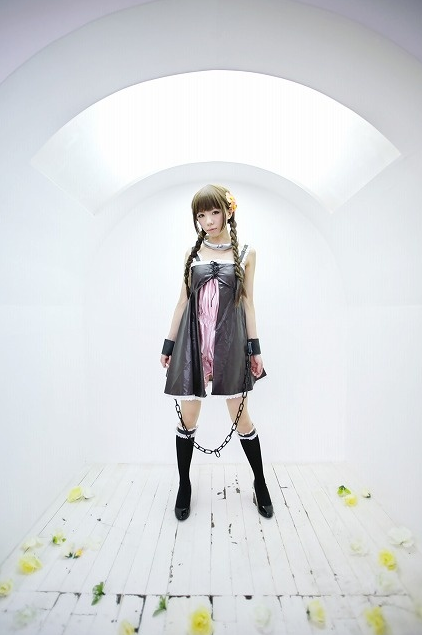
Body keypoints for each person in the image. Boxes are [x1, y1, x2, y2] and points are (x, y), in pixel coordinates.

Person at [160, 184, 273, 521]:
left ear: (227, 211)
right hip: (193, 342)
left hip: (230, 343)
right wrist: (169, 345)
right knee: (188, 419)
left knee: (242, 418)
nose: (208, 220)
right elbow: (182, 301)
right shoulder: (191, 254)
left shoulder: (246, 253)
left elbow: (248, 304)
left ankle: (260, 482)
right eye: (201, 215)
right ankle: (184, 484)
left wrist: (255, 349)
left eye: (214, 212)